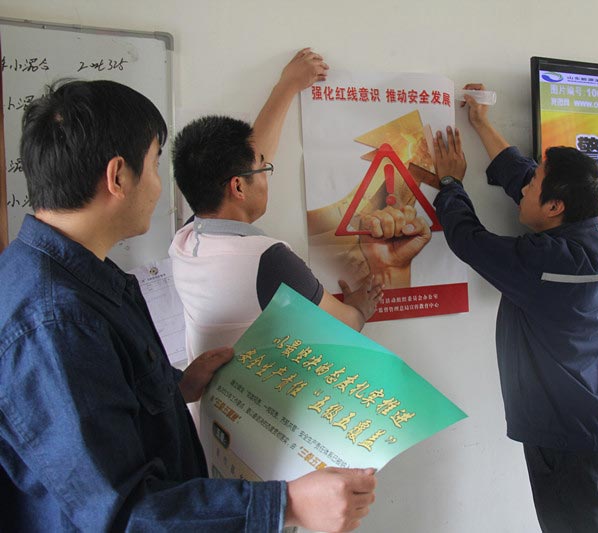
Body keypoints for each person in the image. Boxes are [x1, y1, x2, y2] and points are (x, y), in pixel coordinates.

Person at [0, 78, 376, 532]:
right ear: (118, 176)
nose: (160, 188)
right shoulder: (54, 323)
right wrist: (287, 504)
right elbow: (123, 514)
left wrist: (175, 388)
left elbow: (98, 416)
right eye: (154, 165)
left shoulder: (72, 274)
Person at [433, 83, 598, 532]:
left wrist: (451, 183)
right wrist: (481, 123)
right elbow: (520, 175)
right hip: (585, 424)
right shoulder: (591, 234)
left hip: (568, 437)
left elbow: (470, 241)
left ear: (555, 206)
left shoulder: (551, 264)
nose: (524, 189)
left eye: (535, 185)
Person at [169, 49, 383, 373]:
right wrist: (361, 307)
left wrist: (287, 86)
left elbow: (254, 156)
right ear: (238, 187)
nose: (267, 174)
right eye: (262, 170)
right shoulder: (267, 260)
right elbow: (342, 326)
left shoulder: (187, 238)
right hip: (261, 402)